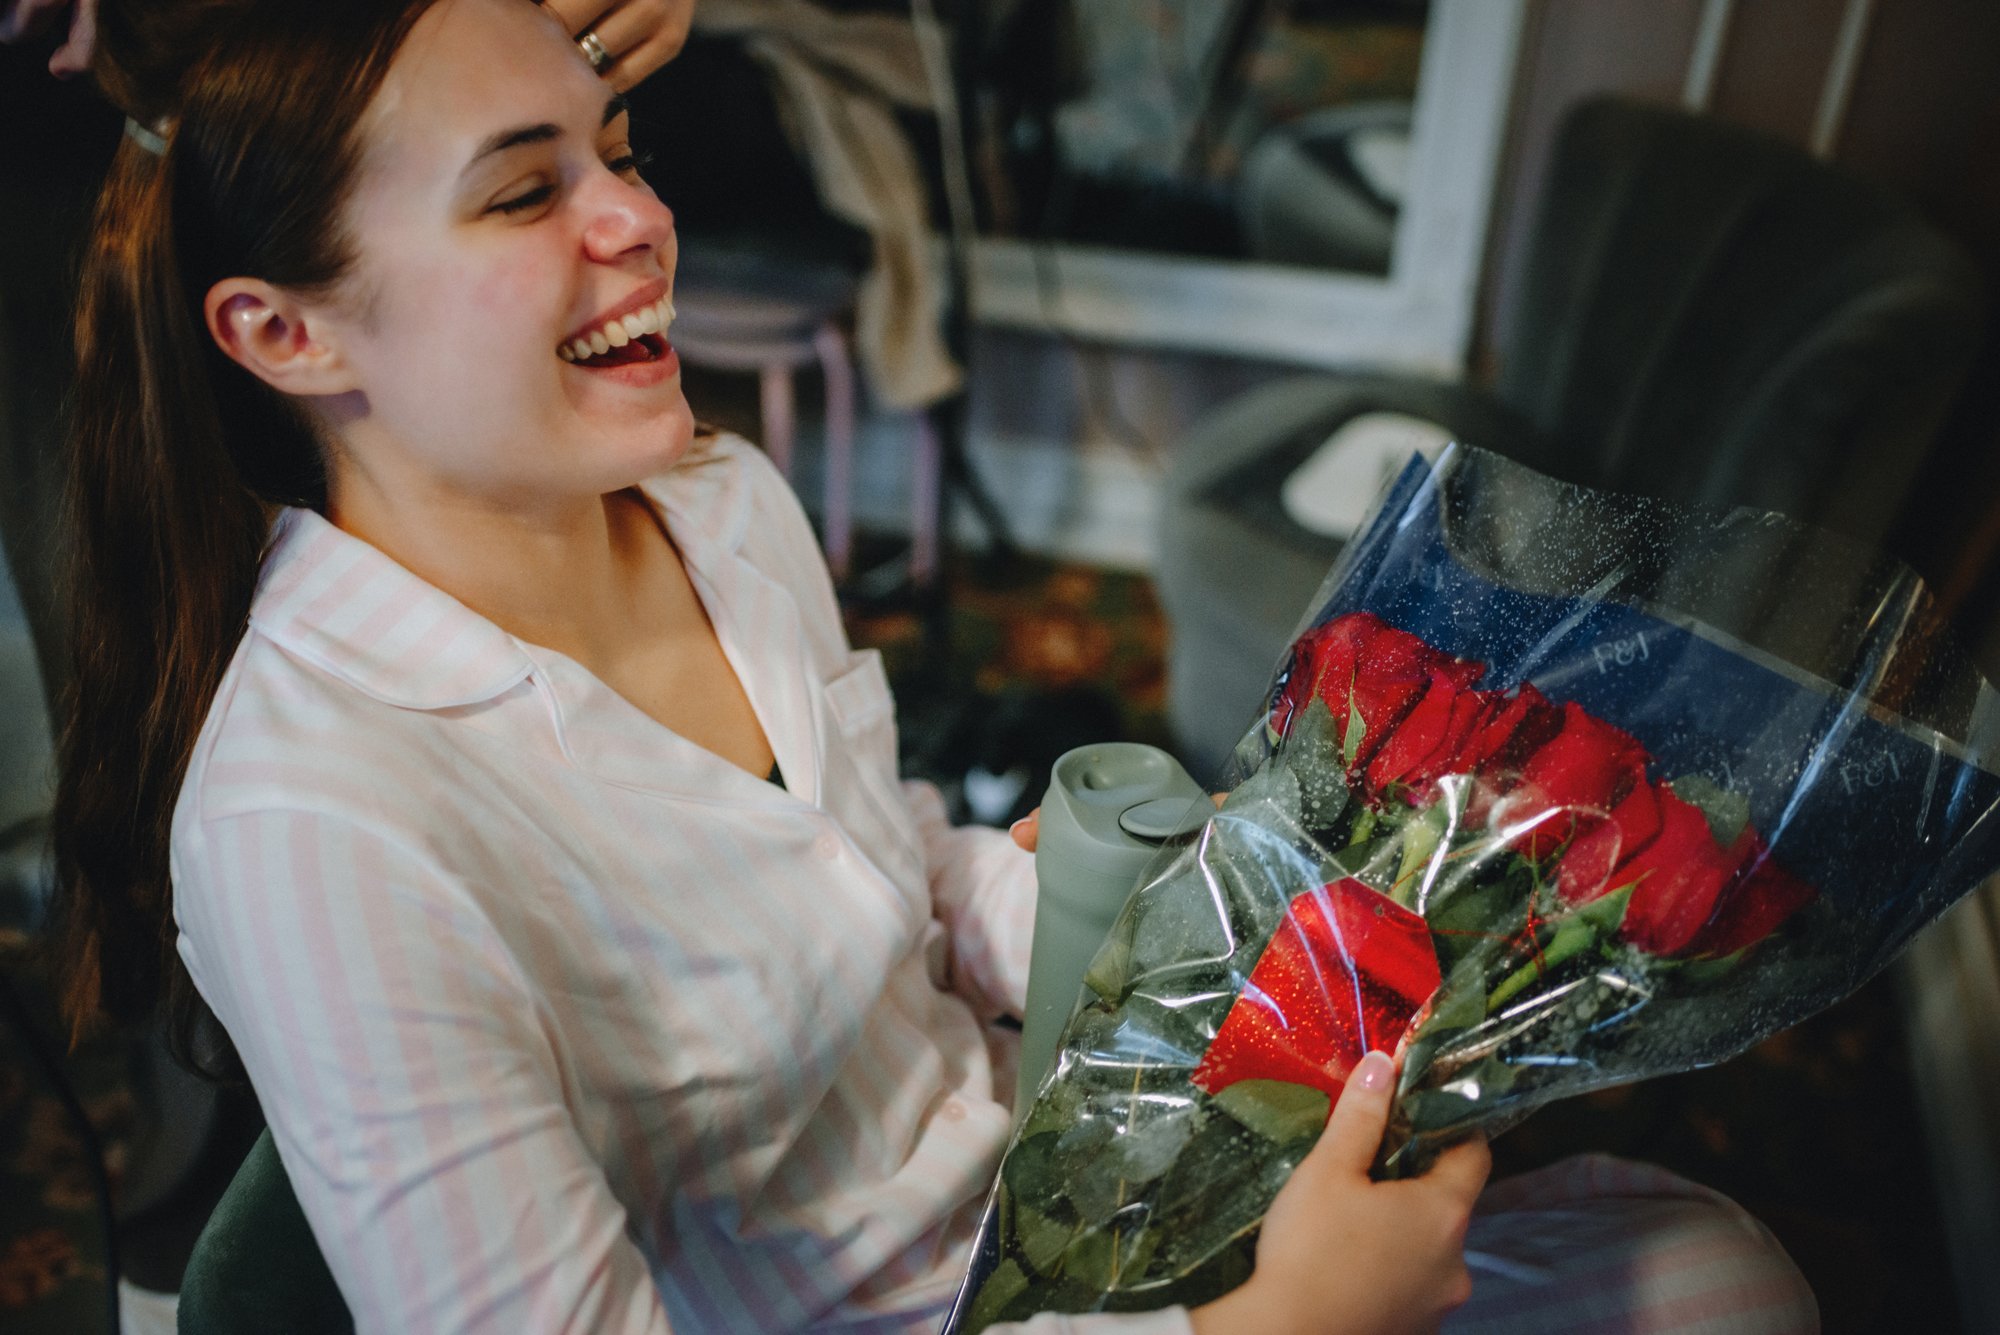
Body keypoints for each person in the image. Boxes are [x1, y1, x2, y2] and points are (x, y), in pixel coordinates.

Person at [46, 0, 1817, 1330]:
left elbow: (871, 859)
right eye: (525, 194)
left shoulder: (717, 500)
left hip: (1060, 1176)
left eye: (621, 146)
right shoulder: (316, 827)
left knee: (1720, 1276)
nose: (636, 220)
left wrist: (1099, 918)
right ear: (284, 332)